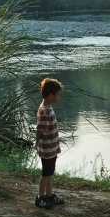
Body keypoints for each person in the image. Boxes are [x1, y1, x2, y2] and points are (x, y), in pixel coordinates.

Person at [35, 77, 65, 209]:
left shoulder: (48, 108)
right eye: (58, 95)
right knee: (45, 173)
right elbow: (40, 130)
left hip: (52, 147)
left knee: (50, 172)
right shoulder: (44, 111)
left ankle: (49, 194)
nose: (59, 97)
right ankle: (40, 197)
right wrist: (37, 143)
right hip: (46, 148)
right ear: (51, 95)